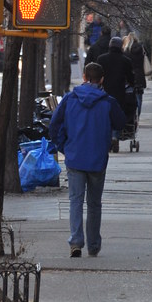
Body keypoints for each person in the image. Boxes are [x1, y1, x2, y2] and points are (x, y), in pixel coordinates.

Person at [49, 61, 126, 258]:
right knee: (94, 203)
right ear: (102, 79)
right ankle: (93, 244)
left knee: (75, 201)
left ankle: (76, 241)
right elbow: (121, 122)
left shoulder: (69, 99)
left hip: (75, 157)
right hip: (97, 159)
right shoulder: (107, 102)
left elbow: (54, 125)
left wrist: (63, 146)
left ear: (84, 77)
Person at [97, 35, 135, 151]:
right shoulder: (126, 60)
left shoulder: (101, 59)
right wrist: (132, 86)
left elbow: (98, 76)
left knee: (105, 116)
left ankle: (108, 138)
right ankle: (115, 136)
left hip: (104, 92)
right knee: (117, 115)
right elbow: (130, 77)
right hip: (120, 93)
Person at [122, 32, 147, 119]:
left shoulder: (126, 51)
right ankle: (138, 116)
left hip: (130, 76)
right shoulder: (141, 49)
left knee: (131, 97)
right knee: (139, 97)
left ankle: (133, 116)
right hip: (139, 75)